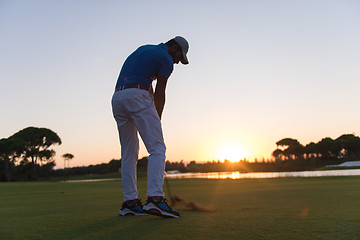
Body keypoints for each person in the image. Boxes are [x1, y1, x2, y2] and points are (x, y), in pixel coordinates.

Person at [111, 36, 189, 218]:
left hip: (118, 98)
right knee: (157, 148)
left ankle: (130, 203)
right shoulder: (166, 59)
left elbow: (145, 81)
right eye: (179, 57)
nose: (176, 62)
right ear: (174, 48)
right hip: (137, 96)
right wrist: (157, 119)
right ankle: (155, 199)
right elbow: (160, 92)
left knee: (129, 153)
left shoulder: (145, 49)